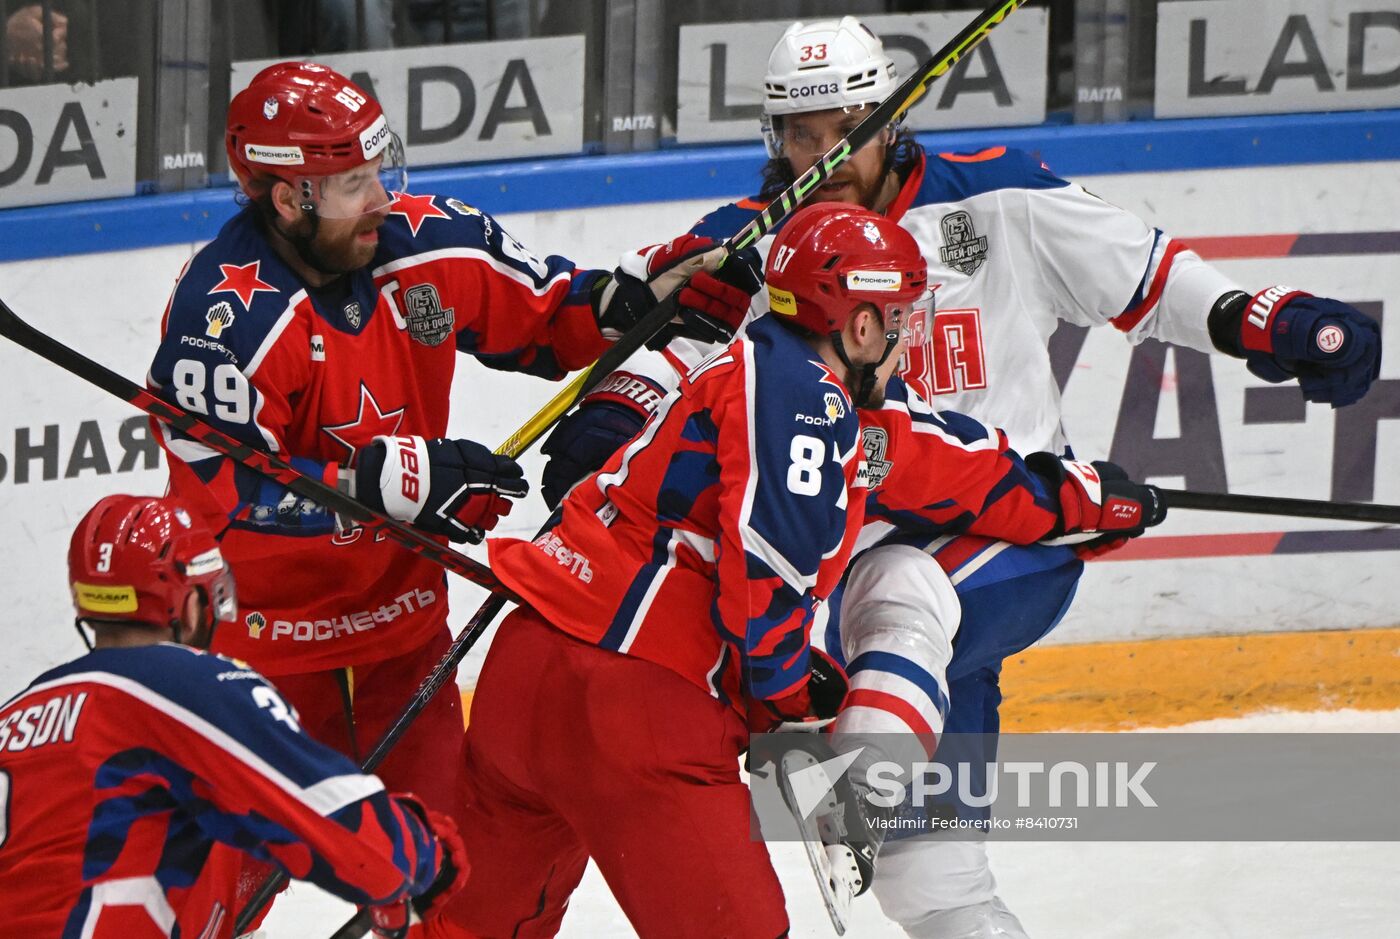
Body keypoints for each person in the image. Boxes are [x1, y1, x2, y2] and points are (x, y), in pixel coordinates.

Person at [537, 16, 1384, 937]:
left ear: (889, 118)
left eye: (846, 129)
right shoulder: (755, 247)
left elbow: (1145, 274)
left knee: (910, 589)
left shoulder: (994, 193)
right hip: (853, 571)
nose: (826, 155)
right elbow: (672, 340)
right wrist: (614, 410)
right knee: (932, 883)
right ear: (773, 136)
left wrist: (1269, 318)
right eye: (801, 135)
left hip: (1004, 533)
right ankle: (893, 823)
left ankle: (850, 793)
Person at [439, 202, 1163, 939]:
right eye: (902, 320)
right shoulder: (808, 404)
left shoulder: (764, 370)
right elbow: (769, 568)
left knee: (469, 929)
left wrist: (1074, 498)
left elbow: (948, 467)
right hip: (637, 703)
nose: (909, 342)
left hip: (523, 675)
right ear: (858, 326)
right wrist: (790, 695)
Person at [147, 61, 754, 926]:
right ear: (288, 200)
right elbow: (218, 499)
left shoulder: (425, 247)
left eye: (378, 170)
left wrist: (636, 298)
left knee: (454, 894)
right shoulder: (225, 321)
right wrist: (377, 486)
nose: (381, 199)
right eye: (353, 183)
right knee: (198, 903)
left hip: (405, 652)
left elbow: (551, 313)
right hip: (265, 667)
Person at [0, 493, 467, 938]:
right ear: (189, 602)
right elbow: (357, 839)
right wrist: (425, 855)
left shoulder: (17, 714)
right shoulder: (188, 687)